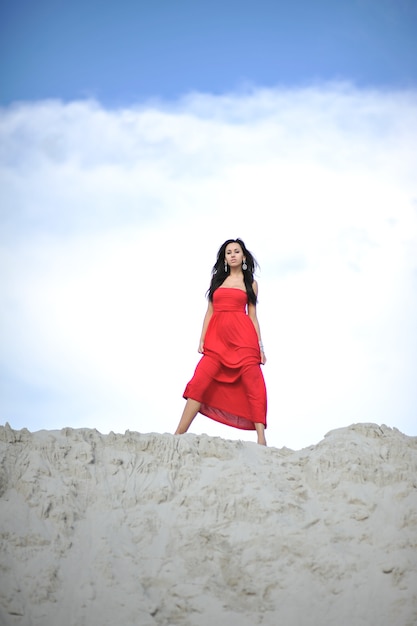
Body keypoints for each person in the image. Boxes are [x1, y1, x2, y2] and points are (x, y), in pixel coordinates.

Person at [174, 238, 267, 445]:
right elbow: (210, 311)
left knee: (255, 385)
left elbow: (252, 316)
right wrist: (202, 337)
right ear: (224, 258)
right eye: (228, 252)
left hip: (244, 341)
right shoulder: (216, 281)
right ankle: (177, 435)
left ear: (243, 256)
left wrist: (260, 347)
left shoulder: (251, 284)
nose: (232, 255)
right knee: (199, 382)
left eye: (236, 251)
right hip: (217, 342)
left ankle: (261, 438)